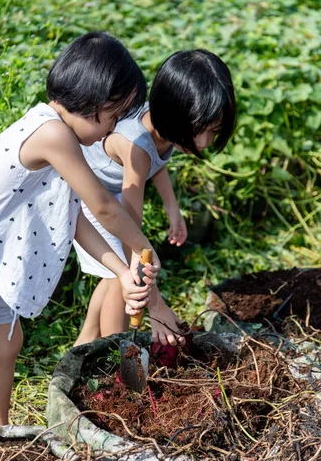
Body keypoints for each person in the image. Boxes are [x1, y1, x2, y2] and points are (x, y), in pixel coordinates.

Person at [0, 31, 161, 430]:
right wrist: (143, 246)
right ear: (98, 105)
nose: (111, 130)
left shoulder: (61, 137)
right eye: (115, 116)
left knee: (5, 348)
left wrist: (122, 272)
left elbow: (77, 220)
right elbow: (103, 205)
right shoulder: (51, 134)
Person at [73, 49, 236, 347]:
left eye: (214, 132)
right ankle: (119, 349)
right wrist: (157, 306)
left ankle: (85, 342)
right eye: (203, 130)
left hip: (113, 196)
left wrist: (171, 207)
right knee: (119, 280)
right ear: (175, 113)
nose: (205, 143)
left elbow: (156, 163)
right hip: (93, 201)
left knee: (115, 276)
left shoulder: (161, 124)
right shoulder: (134, 145)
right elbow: (130, 241)